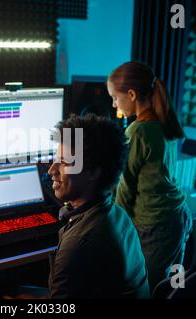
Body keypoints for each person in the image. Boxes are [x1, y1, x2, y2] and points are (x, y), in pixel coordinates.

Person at [107, 61, 192, 293]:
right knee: (171, 286)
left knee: (145, 289)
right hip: (178, 216)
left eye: (115, 97)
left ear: (131, 94)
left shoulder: (138, 131)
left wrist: (115, 227)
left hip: (154, 225)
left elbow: (126, 186)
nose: (114, 103)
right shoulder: (164, 121)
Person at [46, 113, 149, 298]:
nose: (51, 170)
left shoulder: (78, 243)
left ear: (93, 172)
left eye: (64, 163)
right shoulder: (119, 215)